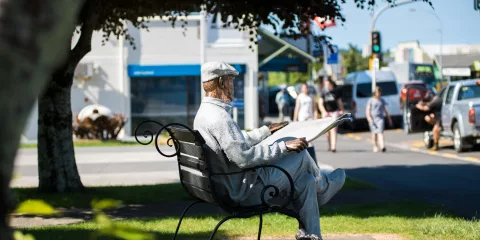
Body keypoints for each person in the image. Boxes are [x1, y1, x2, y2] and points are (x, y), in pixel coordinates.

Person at [194, 61, 346, 240]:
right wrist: (283, 146)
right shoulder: (219, 118)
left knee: (306, 181)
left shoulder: (205, 113)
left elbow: (236, 141)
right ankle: (324, 187)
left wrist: (266, 131)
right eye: (231, 81)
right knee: (301, 154)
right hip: (245, 192)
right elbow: (244, 158)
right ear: (221, 83)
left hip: (228, 187)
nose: (234, 86)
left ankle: (311, 235)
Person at [318, 79, 344, 153]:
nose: (327, 86)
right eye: (326, 84)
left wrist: (341, 110)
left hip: (334, 112)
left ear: (331, 84)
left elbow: (339, 102)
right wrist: (324, 111)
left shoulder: (335, 92)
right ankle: (329, 145)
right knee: (327, 131)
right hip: (327, 112)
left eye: (328, 84)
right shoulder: (323, 93)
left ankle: (333, 146)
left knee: (334, 129)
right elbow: (320, 103)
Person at [366, 87, 393, 152]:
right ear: (375, 93)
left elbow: (385, 110)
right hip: (373, 119)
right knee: (374, 133)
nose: (379, 94)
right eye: (377, 92)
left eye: (379, 92)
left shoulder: (382, 100)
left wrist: (389, 118)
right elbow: (368, 110)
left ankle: (382, 146)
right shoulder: (371, 100)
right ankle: (375, 146)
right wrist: (369, 118)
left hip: (380, 118)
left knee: (380, 132)